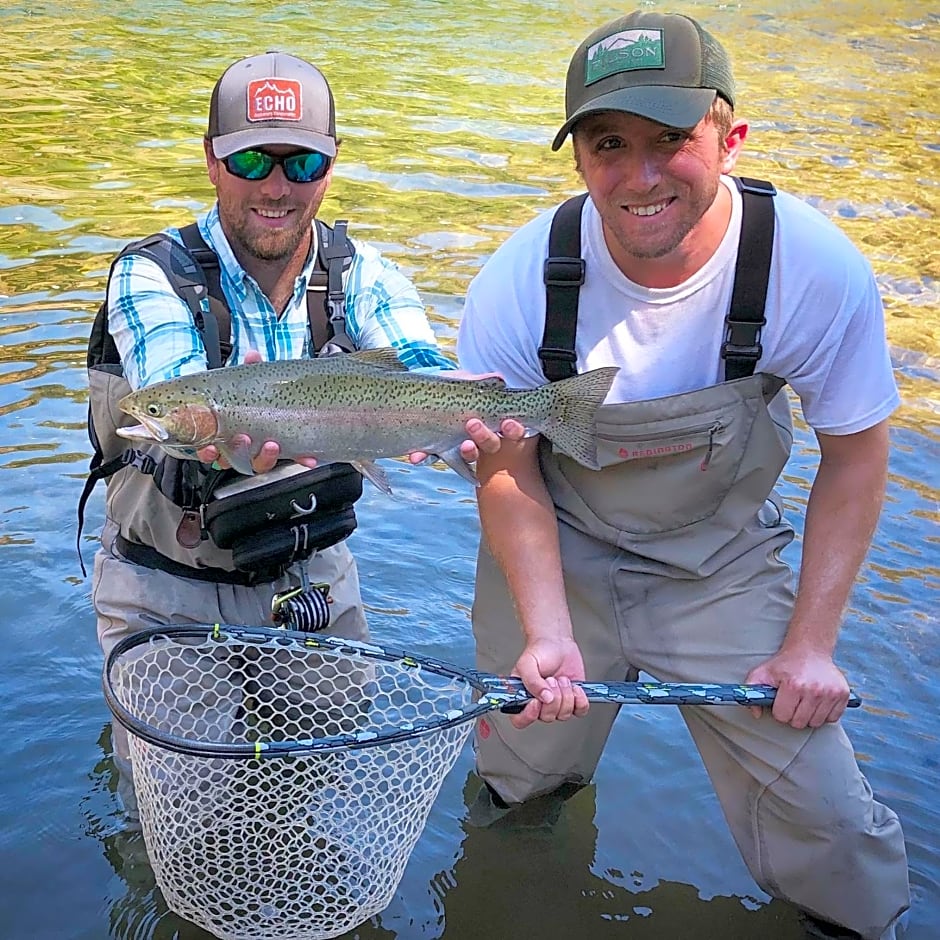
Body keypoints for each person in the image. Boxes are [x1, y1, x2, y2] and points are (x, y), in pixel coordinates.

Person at [456, 11, 910, 940]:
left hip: (723, 562)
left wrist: (813, 645)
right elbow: (506, 471)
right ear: (577, 157)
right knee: (518, 778)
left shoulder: (812, 269)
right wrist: (545, 635)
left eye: (674, 140)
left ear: (729, 138)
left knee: (826, 819)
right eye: (609, 143)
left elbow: (857, 454)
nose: (642, 174)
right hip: (559, 549)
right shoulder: (517, 280)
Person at [88, 50, 511, 823]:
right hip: (165, 590)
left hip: (310, 577)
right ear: (212, 161)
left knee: (310, 787)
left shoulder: (368, 276)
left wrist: (470, 417)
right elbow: (171, 386)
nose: (276, 186)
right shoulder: (151, 274)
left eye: (302, 161)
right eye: (251, 158)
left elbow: (419, 363)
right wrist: (232, 429)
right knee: (182, 814)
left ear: (331, 163)